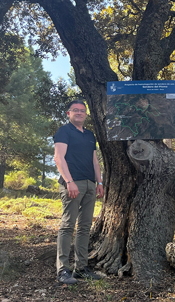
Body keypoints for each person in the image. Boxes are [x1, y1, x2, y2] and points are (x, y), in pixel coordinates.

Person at [54, 99, 104, 284]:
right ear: (68, 113)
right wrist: (69, 181)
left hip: (90, 185)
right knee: (67, 226)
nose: (79, 113)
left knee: (84, 227)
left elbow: (95, 161)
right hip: (72, 185)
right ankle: (62, 270)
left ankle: (81, 268)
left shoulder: (90, 135)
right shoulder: (64, 131)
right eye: (75, 110)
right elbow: (59, 158)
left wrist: (99, 182)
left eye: (82, 111)